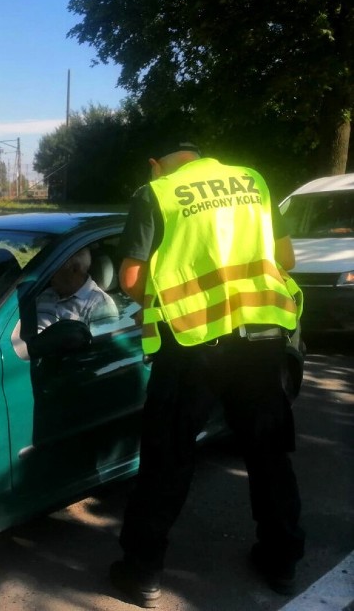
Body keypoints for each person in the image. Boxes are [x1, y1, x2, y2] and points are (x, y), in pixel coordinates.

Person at [110, 140, 304, 608]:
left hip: (191, 347)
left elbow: (132, 281)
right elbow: (286, 259)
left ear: (156, 164)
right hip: (259, 342)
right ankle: (282, 563)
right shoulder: (251, 180)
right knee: (269, 454)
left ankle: (142, 573)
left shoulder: (155, 193)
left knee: (168, 458)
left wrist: (154, 306)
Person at [35, 247, 118, 331]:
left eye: (54, 268)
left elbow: (102, 343)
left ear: (75, 269)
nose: (49, 274)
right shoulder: (46, 294)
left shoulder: (100, 305)